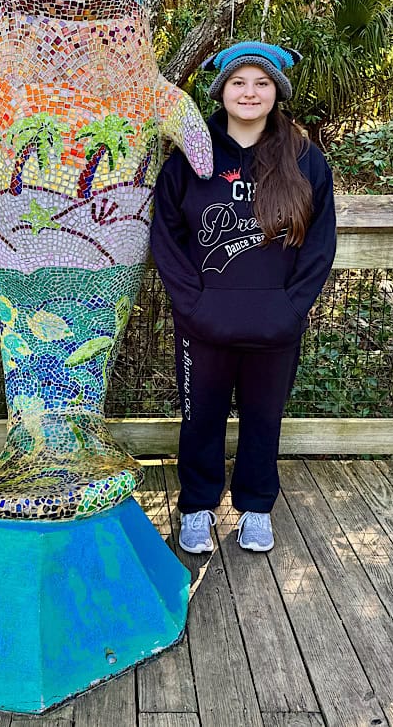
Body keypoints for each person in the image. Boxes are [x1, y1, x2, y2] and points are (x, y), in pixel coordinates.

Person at [150, 41, 336, 553]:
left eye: (261, 83)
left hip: (275, 324)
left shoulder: (304, 159)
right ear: (221, 91)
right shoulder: (192, 156)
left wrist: (292, 308)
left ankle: (255, 507)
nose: (249, 92)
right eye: (238, 82)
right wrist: (193, 306)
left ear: (277, 91)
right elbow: (166, 237)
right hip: (203, 325)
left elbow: (320, 243)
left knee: (263, 418)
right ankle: (197, 507)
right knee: (201, 417)